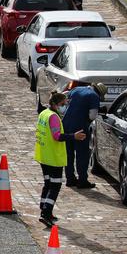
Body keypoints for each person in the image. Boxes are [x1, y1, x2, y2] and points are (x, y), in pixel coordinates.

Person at [34, 91, 86, 227]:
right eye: (63, 104)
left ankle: (44, 210)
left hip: (43, 156)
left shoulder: (43, 113)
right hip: (53, 158)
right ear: (56, 104)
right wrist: (73, 136)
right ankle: (46, 213)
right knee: (55, 185)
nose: (65, 107)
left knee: (48, 183)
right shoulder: (53, 117)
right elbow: (57, 136)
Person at [63, 83, 107, 189]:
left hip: (65, 125)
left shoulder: (76, 89)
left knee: (68, 154)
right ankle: (82, 180)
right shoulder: (94, 96)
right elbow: (92, 115)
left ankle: (70, 179)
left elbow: (66, 101)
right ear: (99, 93)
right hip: (80, 128)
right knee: (82, 154)